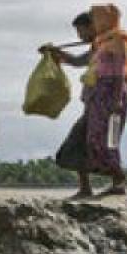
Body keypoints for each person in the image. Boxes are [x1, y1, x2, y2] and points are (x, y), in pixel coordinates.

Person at [81, 4, 127, 196]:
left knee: (110, 138)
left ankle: (119, 180)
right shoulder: (101, 42)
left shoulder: (119, 40)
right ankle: (115, 178)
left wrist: (117, 97)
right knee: (95, 138)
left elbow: (120, 71)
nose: (95, 23)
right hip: (99, 93)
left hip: (113, 92)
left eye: (97, 18)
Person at [44, 12, 98, 198]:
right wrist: (55, 53)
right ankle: (85, 188)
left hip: (103, 105)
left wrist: (58, 53)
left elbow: (78, 61)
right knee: (78, 144)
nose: (79, 36)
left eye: (80, 31)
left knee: (86, 144)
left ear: (92, 27)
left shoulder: (106, 46)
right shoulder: (99, 47)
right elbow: (77, 61)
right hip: (93, 105)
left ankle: (116, 183)